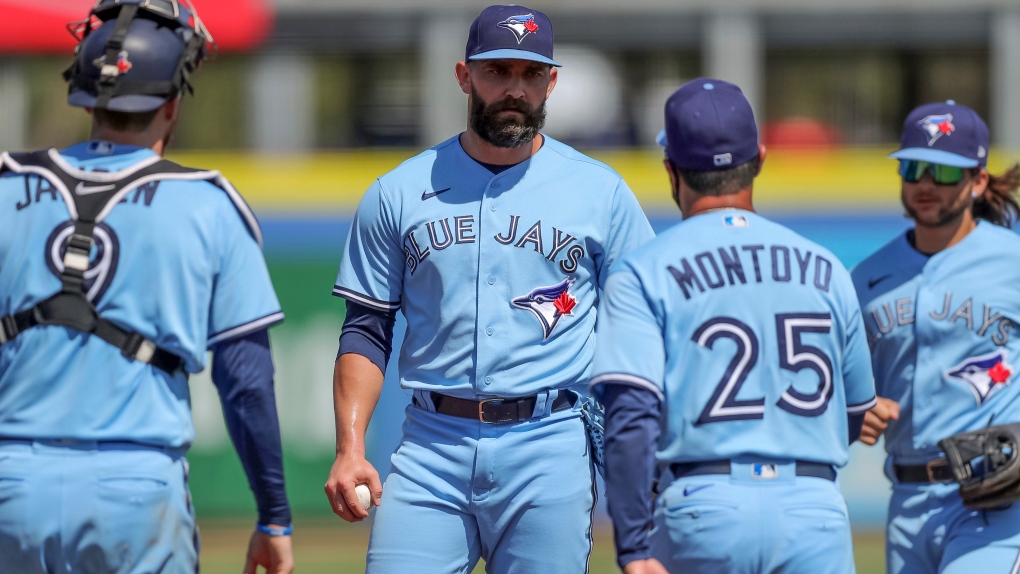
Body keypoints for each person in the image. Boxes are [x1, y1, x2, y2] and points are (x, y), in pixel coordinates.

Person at [322, 5, 654, 572]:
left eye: (529, 74)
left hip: (550, 441)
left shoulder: (601, 192)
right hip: (431, 444)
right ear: (463, 75)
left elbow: (645, 326)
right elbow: (366, 329)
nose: (514, 89)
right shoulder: (398, 191)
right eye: (497, 71)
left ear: (551, 82)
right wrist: (350, 448)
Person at [0, 1, 293, 572]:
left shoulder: (6, 188)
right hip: (133, 490)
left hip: (11, 484)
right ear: (172, 101)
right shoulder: (209, 204)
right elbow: (247, 383)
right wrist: (273, 516)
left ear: (83, 91)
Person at [590, 78, 878, 574]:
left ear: (670, 169)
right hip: (813, 510)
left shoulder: (643, 270)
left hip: (703, 505)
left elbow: (631, 418)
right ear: (760, 159)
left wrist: (634, 547)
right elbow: (854, 413)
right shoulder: (826, 267)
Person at [853, 101, 1020, 573]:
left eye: (944, 172)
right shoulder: (867, 279)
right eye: (913, 167)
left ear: (979, 181)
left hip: (995, 500)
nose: (926, 184)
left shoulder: (1012, 261)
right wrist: (855, 409)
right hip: (905, 499)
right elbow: (838, 386)